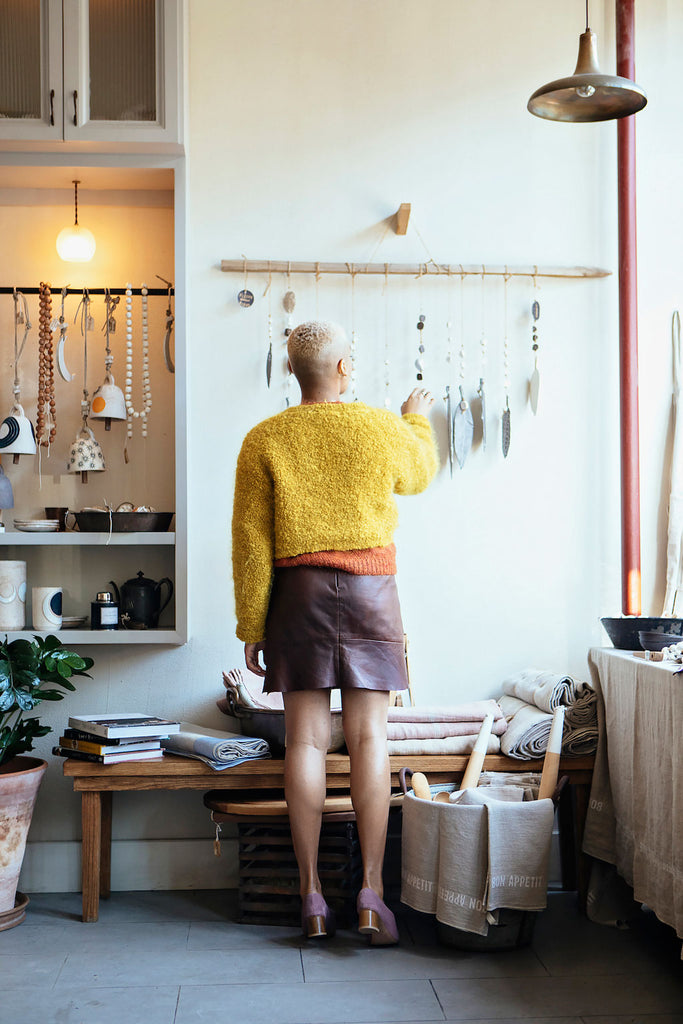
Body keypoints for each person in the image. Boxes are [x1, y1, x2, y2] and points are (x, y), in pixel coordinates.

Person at [232, 320, 437, 945]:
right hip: (372, 595)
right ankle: (372, 892)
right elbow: (420, 473)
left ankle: (312, 896)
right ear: (345, 368)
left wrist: (252, 620)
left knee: (305, 743)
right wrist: (415, 417)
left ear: (295, 371)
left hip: (298, 598)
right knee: (370, 738)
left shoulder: (264, 439)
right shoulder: (380, 427)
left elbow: (250, 542)